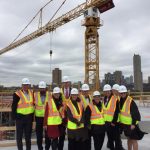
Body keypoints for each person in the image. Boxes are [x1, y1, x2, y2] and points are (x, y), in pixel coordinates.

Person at [119, 85, 146, 150]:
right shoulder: (121, 100)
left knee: (134, 140)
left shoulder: (130, 101)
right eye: (121, 93)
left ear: (126, 93)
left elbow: (136, 114)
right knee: (129, 139)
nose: (123, 94)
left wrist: (133, 124)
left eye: (124, 93)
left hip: (131, 124)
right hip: (125, 124)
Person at [11, 78, 34, 150]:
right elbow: (14, 106)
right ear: (22, 85)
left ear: (29, 85)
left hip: (29, 118)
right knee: (19, 136)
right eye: (24, 85)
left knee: (28, 136)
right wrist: (14, 117)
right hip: (20, 118)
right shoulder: (17, 94)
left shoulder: (31, 92)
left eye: (27, 85)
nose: (25, 86)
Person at [102, 84, 122, 150]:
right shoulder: (104, 99)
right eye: (105, 91)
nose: (106, 92)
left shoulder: (115, 99)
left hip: (114, 122)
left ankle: (118, 148)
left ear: (110, 91)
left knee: (116, 138)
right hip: (107, 122)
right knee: (110, 138)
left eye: (108, 91)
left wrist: (113, 121)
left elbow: (117, 111)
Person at [34, 81, 50, 150]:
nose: (42, 90)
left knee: (47, 135)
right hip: (38, 118)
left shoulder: (50, 94)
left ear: (45, 88)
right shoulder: (35, 95)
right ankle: (40, 148)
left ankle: (47, 148)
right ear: (39, 88)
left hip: (47, 117)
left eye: (43, 88)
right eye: (41, 88)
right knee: (39, 135)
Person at [60, 75, 72, 150]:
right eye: (65, 82)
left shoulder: (73, 91)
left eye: (67, 82)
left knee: (70, 133)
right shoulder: (59, 91)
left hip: (71, 114)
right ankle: (60, 148)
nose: (66, 84)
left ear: (69, 83)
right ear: (63, 83)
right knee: (62, 134)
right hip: (62, 115)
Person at [79, 83, 92, 150]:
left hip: (90, 120)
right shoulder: (79, 98)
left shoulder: (91, 97)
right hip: (83, 121)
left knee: (89, 137)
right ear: (81, 91)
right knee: (83, 137)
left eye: (86, 91)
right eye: (84, 91)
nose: (85, 92)